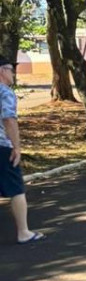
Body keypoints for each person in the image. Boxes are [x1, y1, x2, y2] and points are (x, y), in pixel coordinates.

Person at [0, 55, 44, 244]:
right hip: (2, 147)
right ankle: (24, 232)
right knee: (16, 188)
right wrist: (16, 147)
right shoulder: (5, 92)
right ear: (2, 71)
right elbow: (9, 120)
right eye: (11, 68)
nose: (13, 73)